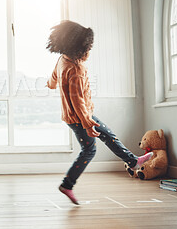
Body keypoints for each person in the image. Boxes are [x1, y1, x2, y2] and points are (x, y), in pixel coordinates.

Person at [46, 20, 153, 205]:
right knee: (89, 150)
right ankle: (67, 184)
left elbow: (54, 78)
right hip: (80, 117)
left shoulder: (63, 59)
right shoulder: (76, 69)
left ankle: (133, 161)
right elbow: (78, 102)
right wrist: (87, 124)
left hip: (77, 116)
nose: (89, 52)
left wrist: (51, 84)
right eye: (88, 49)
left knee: (107, 135)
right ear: (79, 50)